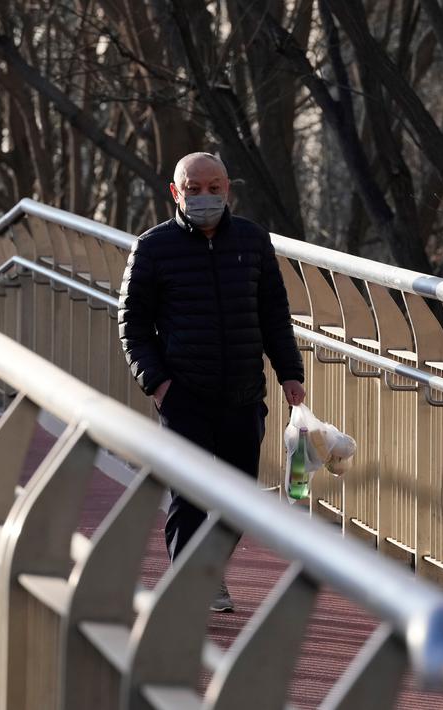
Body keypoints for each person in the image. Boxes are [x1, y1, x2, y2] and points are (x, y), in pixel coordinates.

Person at [118, 151, 306, 612]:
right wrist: (159, 385)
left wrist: (290, 375)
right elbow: (133, 326)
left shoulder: (252, 241)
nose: (205, 197)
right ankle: (189, 585)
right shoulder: (153, 247)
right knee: (189, 495)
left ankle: (211, 570)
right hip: (184, 394)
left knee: (239, 496)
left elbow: (273, 314)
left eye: (214, 188)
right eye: (194, 189)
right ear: (175, 193)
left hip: (244, 393)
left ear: (228, 189)